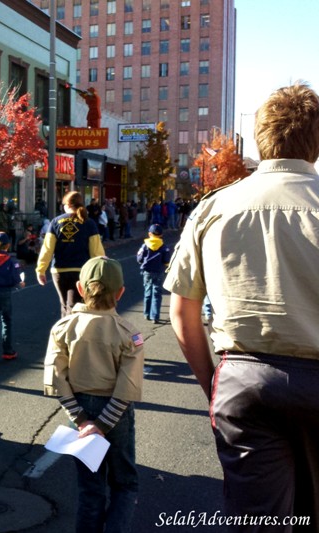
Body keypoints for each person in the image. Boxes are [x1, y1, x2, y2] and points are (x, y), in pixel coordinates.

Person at [164, 82, 319, 528]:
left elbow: (182, 309)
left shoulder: (215, 207)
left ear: (259, 138)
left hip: (244, 380)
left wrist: (212, 383)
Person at [43, 257, 144, 533]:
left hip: (80, 409)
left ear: (80, 287)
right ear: (121, 292)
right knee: (124, 484)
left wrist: (83, 421)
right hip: (116, 414)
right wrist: (103, 424)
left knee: (90, 488)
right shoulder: (129, 334)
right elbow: (127, 388)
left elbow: (56, 379)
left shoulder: (62, 328)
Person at [36, 191, 105, 317]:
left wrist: (41, 270)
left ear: (67, 204)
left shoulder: (56, 222)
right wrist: (100, 272)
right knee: (76, 306)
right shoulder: (89, 223)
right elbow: (96, 251)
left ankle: (64, 333)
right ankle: (73, 334)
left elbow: (47, 249)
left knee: (64, 305)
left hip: (59, 270)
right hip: (82, 270)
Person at [0, 232, 25, 366]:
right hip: (6, 292)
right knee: (6, 322)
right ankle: (8, 351)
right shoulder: (12, 261)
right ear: (8, 245)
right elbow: (16, 279)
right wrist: (20, 283)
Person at [136, 223, 171, 324]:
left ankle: (146, 313)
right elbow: (166, 260)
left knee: (147, 291)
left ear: (149, 234)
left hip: (147, 271)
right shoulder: (164, 247)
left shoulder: (145, 246)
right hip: (159, 271)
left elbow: (139, 258)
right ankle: (155, 316)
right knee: (157, 293)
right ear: (161, 235)